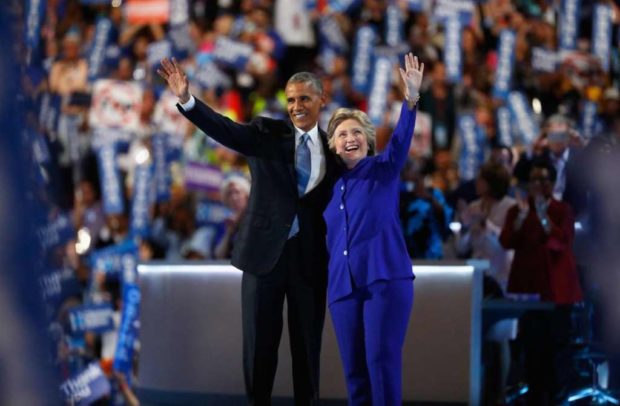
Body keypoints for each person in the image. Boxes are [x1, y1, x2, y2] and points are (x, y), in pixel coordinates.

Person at [157, 58, 338, 405]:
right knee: (259, 354)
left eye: (304, 99)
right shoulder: (267, 133)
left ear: (321, 99)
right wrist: (187, 100)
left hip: (310, 262)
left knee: (307, 354)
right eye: (291, 100)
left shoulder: (335, 148)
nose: (297, 106)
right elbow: (225, 129)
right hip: (263, 258)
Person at [323, 53, 423, 405]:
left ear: (367, 139)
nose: (349, 138)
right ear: (332, 145)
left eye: (355, 132)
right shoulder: (324, 186)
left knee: (381, 367)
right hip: (342, 288)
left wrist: (411, 99)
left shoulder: (384, 168)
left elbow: (400, 140)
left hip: (385, 280)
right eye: (341, 134)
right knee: (355, 375)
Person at [500, 160, 583, 405]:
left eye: (544, 179)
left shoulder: (562, 209)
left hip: (557, 290)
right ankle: (534, 394)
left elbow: (561, 242)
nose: (539, 184)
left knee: (557, 348)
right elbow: (507, 241)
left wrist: (544, 216)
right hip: (529, 290)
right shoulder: (518, 210)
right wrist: (525, 215)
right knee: (531, 347)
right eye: (534, 179)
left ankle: (558, 396)